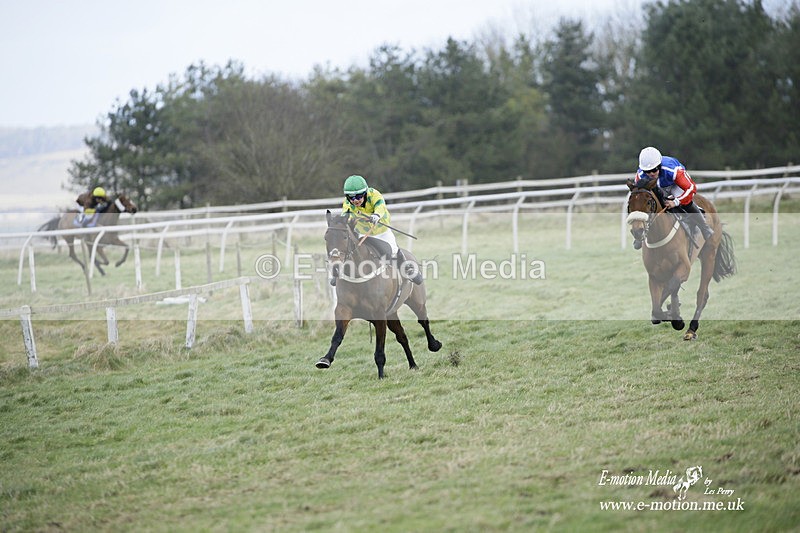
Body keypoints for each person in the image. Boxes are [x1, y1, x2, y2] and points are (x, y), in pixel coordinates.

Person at [331, 174, 422, 286]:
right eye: (351, 197)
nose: (355, 200)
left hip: (381, 231)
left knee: (393, 249)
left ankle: (407, 268)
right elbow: (346, 216)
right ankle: (338, 272)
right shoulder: (347, 203)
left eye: (358, 196)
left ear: (365, 193)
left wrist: (377, 215)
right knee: (349, 249)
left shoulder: (374, 194)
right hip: (362, 232)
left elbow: (380, 206)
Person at [632, 147, 714, 250]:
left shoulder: (673, 170)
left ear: (659, 166)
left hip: (675, 184)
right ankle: (639, 236)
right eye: (647, 171)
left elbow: (691, 188)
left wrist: (676, 202)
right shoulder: (640, 176)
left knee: (686, 202)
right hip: (657, 187)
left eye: (654, 170)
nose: (651, 174)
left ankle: (704, 227)